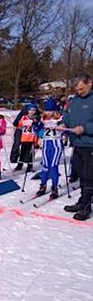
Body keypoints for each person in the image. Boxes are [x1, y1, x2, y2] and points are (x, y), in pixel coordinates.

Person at [59, 74, 93, 220]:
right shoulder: (74, 100)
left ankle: (86, 206)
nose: (79, 91)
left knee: (88, 176)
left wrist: (85, 128)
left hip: (90, 144)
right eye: (77, 89)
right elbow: (67, 114)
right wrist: (63, 123)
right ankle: (82, 201)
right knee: (80, 174)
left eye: (81, 88)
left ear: (90, 83)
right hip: (77, 143)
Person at [34, 97, 64, 199]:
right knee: (45, 166)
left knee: (53, 166)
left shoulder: (60, 119)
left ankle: (54, 188)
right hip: (46, 144)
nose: (48, 112)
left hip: (56, 145)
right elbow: (38, 131)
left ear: (55, 110)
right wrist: (35, 123)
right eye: (46, 110)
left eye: (50, 110)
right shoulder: (43, 119)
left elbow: (66, 130)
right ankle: (43, 185)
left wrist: (62, 128)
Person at [14, 103, 40, 172]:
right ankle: (20, 165)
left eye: (33, 110)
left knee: (31, 153)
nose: (32, 112)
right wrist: (19, 123)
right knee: (22, 152)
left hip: (32, 138)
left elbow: (38, 128)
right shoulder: (24, 117)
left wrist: (35, 123)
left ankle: (30, 166)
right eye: (30, 110)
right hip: (24, 138)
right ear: (28, 110)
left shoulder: (36, 118)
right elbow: (19, 124)